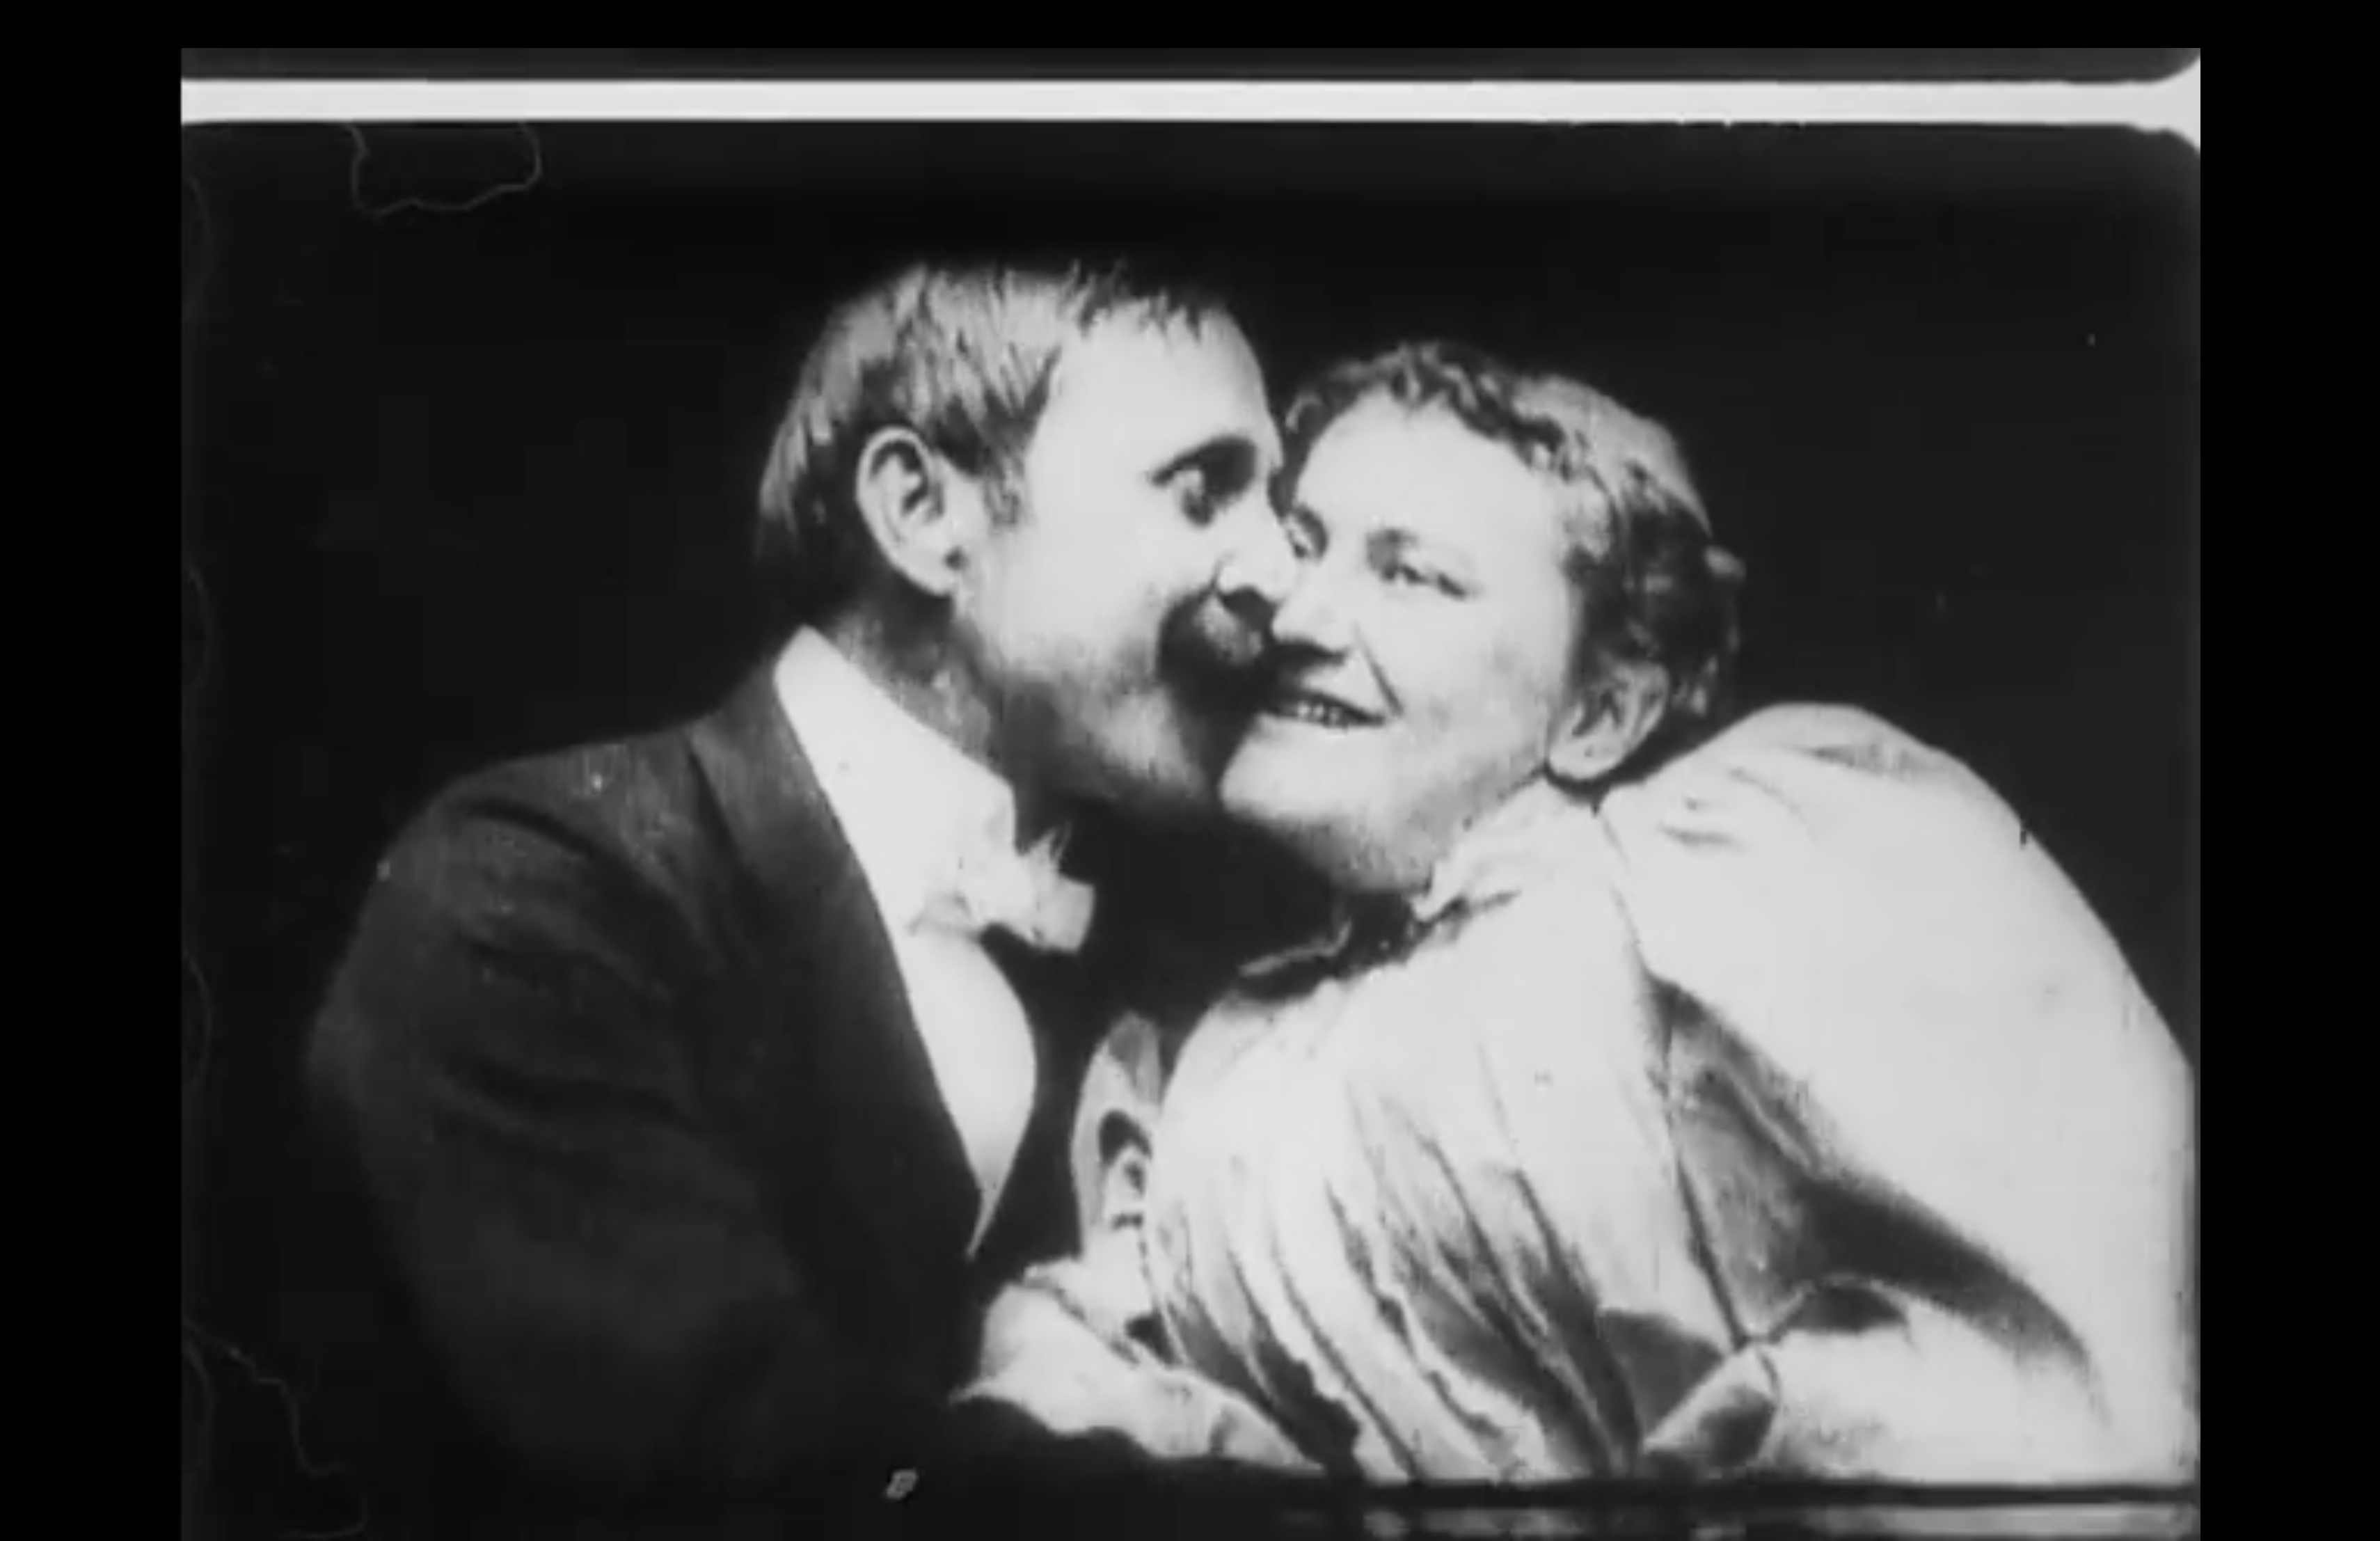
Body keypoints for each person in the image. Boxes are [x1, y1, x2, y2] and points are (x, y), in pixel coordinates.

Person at [964, 340, 2200, 1491]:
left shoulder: (1736, 871)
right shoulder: (1216, 1050)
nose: (1296, 616)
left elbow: (2030, 1399)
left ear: (1602, 711)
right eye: (1303, 544)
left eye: (1410, 575)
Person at [297, 259, 1310, 1532]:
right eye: (1204, 490)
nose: (1282, 573)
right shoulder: (527, 891)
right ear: (923, 512)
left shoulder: (1158, 953)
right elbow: (729, 1471)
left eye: (1279, 508)